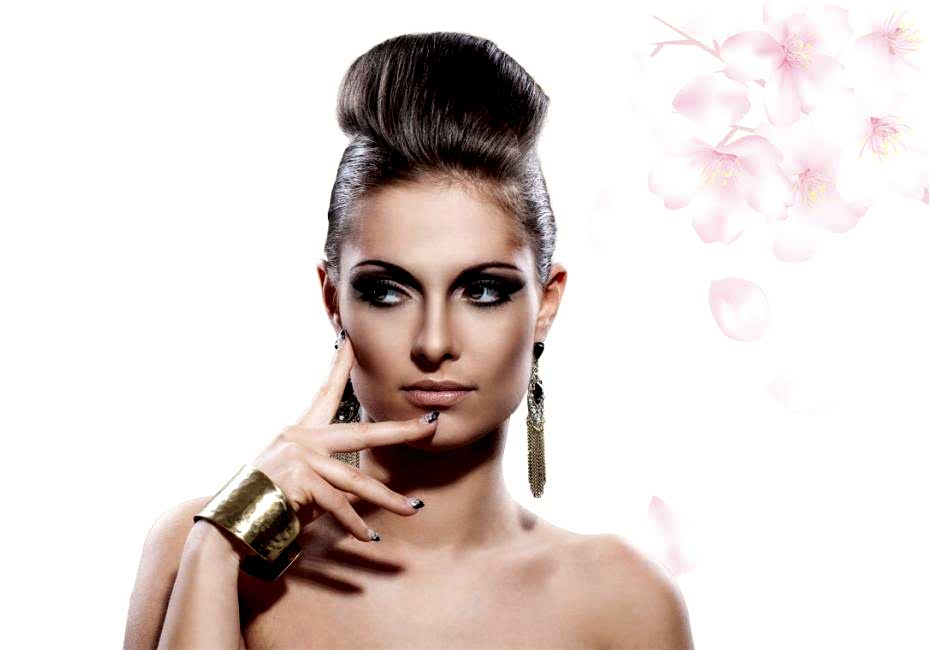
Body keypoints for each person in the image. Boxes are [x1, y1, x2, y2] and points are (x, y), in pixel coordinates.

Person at [124, 32, 694, 649]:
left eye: (482, 290)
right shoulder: (204, 541)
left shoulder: (622, 602)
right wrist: (223, 540)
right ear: (333, 300)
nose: (433, 342)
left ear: (545, 305)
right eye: (388, 291)